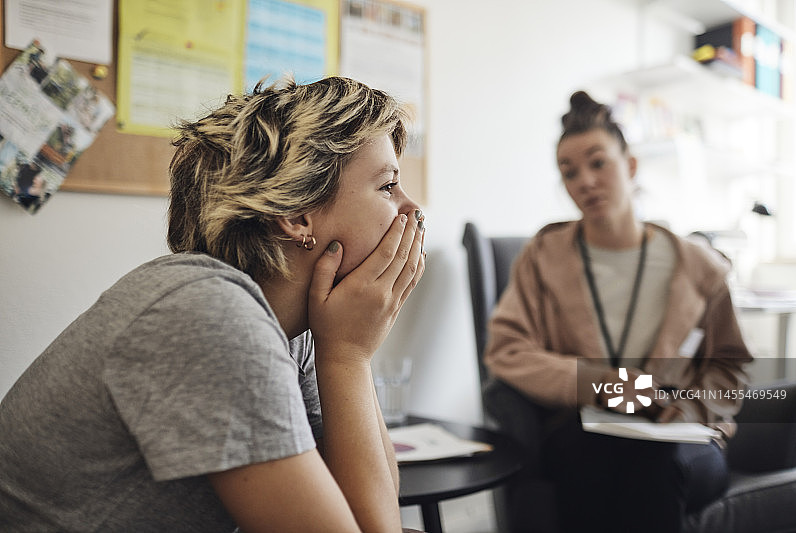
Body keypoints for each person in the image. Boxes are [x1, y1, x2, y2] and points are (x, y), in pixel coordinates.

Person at [0, 76, 426, 532]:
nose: (411, 209)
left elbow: (367, 513)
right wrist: (348, 357)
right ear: (297, 215)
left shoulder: (288, 331)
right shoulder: (209, 313)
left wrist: (345, 352)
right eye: (387, 186)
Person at [484, 91, 752, 533]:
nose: (584, 181)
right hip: (585, 427)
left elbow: (730, 364)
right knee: (591, 456)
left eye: (597, 163)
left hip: (682, 434)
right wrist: (603, 384)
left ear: (630, 166)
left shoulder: (699, 265)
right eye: (568, 173)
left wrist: (689, 407)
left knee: (653, 464)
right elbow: (507, 350)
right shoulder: (543, 256)